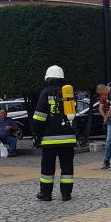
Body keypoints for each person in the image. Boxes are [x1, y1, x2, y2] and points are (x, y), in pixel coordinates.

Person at [32, 65, 77, 201]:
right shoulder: (68, 93)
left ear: (48, 78)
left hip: (49, 139)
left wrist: (36, 134)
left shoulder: (45, 93)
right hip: (68, 138)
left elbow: (39, 117)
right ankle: (66, 194)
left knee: (47, 168)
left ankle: (46, 194)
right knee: (67, 168)